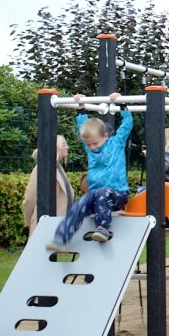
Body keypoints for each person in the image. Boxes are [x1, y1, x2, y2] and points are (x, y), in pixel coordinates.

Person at [46, 93, 131, 252]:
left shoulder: (116, 144)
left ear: (105, 135)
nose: (92, 147)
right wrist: (81, 107)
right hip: (96, 196)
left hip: (117, 195)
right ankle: (61, 239)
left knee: (102, 193)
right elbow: (82, 127)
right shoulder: (91, 149)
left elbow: (127, 124)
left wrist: (122, 104)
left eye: (95, 143)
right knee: (78, 204)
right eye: (88, 145)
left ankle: (103, 228)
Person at [22, 135, 72, 235]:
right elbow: (29, 198)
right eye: (63, 145)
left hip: (56, 224)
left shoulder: (58, 168)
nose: (67, 147)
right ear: (55, 147)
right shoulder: (42, 167)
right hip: (43, 224)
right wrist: (28, 221)